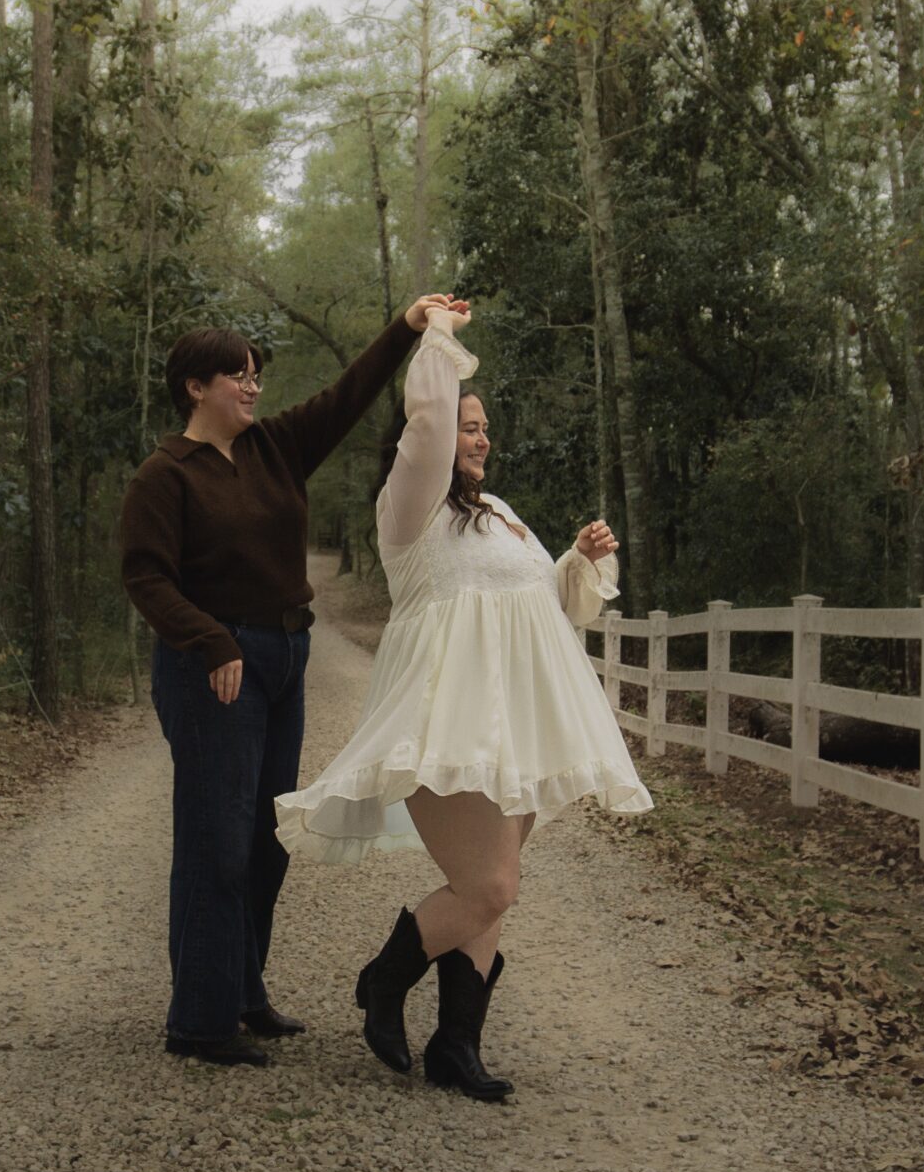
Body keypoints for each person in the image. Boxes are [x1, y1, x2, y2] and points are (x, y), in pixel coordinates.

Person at [272, 302, 650, 1101]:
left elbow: (544, 611)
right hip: (444, 725)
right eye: (466, 426)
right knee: (490, 886)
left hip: (508, 727)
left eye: (484, 429)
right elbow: (431, 422)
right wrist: (433, 337)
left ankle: (456, 1045)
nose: (477, 437)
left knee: (496, 881)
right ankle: (385, 977)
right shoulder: (408, 513)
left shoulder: (502, 516)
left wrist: (578, 563)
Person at [119, 296, 453, 1067]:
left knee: (266, 842)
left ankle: (242, 994)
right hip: (213, 670)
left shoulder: (276, 448)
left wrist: (406, 328)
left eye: (256, 374)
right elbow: (145, 575)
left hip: (284, 660)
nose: (253, 386)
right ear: (195, 387)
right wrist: (208, 640)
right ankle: (199, 1023)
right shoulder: (164, 474)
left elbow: (349, 393)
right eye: (236, 375)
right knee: (217, 842)